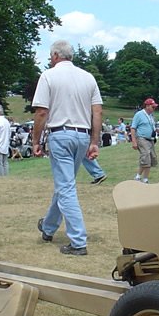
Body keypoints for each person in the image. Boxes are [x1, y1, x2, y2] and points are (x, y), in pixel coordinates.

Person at [32, 39, 102, 256]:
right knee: (65, 185)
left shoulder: (48, 76)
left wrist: (35, 141)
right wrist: (94, 141)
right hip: (82, 135)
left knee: (66, 188)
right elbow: (97, 112)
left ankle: (78, 241)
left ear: (54, 56)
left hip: (60, 134)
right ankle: (48, 227)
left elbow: (42, 112)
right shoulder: (88, 77)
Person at [130, 98, 159, 183]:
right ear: (147, 106)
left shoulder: (151, 116)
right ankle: (141, 177)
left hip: (151, 139)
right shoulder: (139, 114)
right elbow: (133, 128)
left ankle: (143, 177)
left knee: (150, 158)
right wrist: (134, 141)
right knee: (145, 155)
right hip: (142, 138)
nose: (154, 109)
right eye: (152, 107)